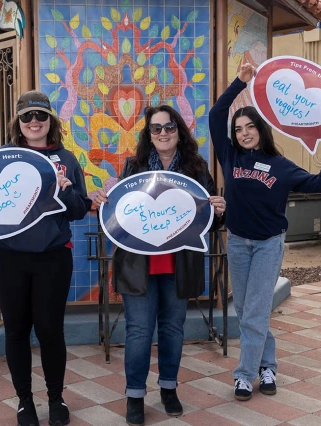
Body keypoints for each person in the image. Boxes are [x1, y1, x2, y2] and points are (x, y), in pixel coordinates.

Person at [0, 91, 90, 426]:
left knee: (50, 330)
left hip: (53, 258)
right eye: (27, 117)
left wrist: (66, 189)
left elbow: (79, 211)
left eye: (40, 116)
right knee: (16, 330)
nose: (34, 122)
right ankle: (24, 402)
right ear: (18, 123)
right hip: (6, 258)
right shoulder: (2, 159)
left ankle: (56, 399)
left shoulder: (66, 159)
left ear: (50, 121)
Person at [209, 63, 321, 401]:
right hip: (239, 242)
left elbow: (319, 183)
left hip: (269, 245)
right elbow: (216, 114)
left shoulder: (281, 167)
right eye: (239, 128)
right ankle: (268, 365)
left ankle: (244, 376)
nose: (244, 133)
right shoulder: (230, 156)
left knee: (254, 310)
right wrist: (239, 82)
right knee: (247, 310)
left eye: (250, 127)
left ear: (261, 129)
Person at [92, 105, 226, 426]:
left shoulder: (196, 170)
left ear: (179, 132)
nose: (163, 133)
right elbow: (118, 216)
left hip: (178, 264)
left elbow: (206, 222)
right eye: (156, 128)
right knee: (139, 331)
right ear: (148, 135)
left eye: (169, 127)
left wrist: (220, 212)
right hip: (139, 264)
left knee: (172, 328)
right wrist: (102, 202)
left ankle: (168, 388)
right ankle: (135, 395)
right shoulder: (133, 168)